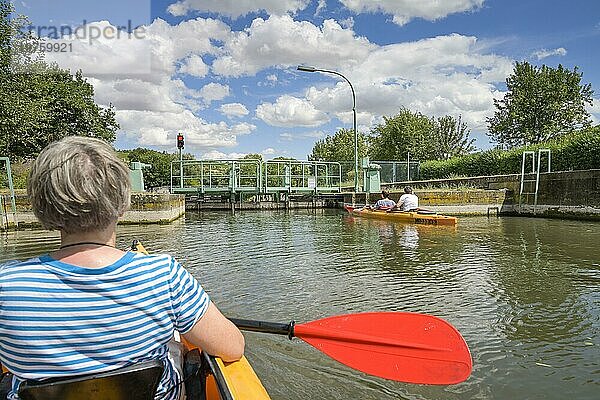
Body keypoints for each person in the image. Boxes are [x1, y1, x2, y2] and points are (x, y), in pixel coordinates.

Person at [0, 136, 244, 400]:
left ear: (40, 206)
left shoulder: (7, 285)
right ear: (123, 204)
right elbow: (232, 347)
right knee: (176, 347)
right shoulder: (162, 275)